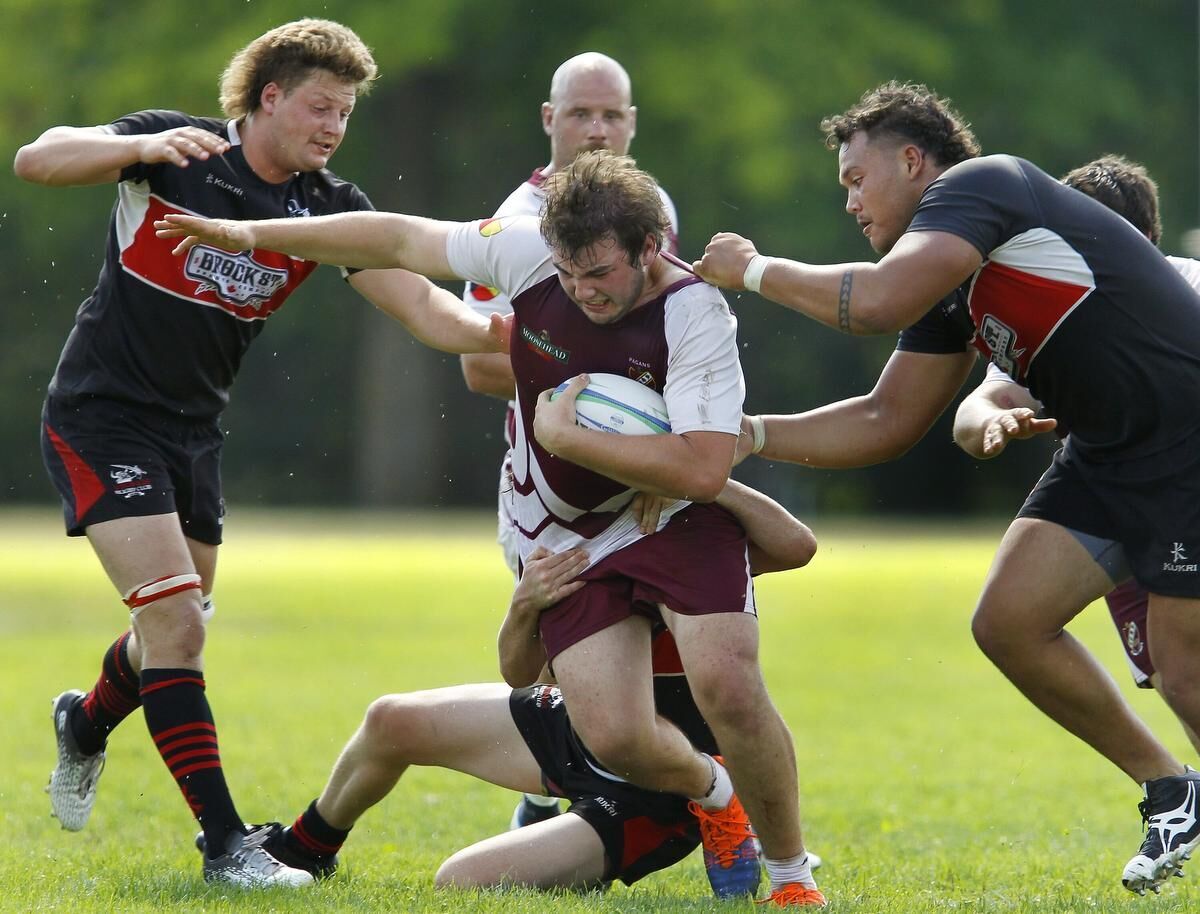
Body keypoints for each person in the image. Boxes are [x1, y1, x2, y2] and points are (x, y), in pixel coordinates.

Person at [156, 149, 828, 907]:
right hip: (573, 532)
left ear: (649, 248)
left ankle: (791, 877)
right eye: (569, 275)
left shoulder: (696, 311)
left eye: (601, 274)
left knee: (728, 685)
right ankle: (714, 793)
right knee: (611, 733)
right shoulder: (525, 249)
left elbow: (705, 472)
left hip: (667, 511)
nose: (583, 293)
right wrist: (254, 235)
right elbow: (401, 239)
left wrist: (575, 441)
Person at [13, 19, 505, 887]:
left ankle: (85, 722)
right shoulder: (177, 149)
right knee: (175, 623)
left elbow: (434, 315)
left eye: (347, 113)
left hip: (193, 434)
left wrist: (525, 331)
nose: (332, 128)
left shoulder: (327, 205)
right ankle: (226, 848)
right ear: (267, 97)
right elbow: (38, 159)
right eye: (321, 106)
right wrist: (139, 144)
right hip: (101, 415)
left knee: (171, 627)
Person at [693, 81, 1200, 895]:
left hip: (1188, 437)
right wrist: (743, 436)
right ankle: (1172, 788)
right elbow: (884, 419)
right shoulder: (949, 279)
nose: (851, 202)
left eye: (857, 180)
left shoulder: (983, 185)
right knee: (1009, 621)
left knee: (1184, 673)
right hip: (1111, 454)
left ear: (913, 159)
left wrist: (751, 269)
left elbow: (875, 301)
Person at [193, 481, 815, 897]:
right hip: (574, 728)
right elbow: (518, 671)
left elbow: (797, 544)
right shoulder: (573, 531)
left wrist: (704, 479)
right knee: (391, 720)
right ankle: (307, 847)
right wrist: (525, 606)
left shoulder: (689, 524)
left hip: (656, 781)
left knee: (461, 882)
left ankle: (716, 802)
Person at [457, 51, 679, 832]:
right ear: (549, 119)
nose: (596, 129)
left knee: (681, 643)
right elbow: (480, 366)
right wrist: (592, 410)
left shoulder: (652, 209)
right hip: (554, 485)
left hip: (651, 481)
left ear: (632, 124)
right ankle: (548, 803)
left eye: (611, 114)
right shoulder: (515, 226)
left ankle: (681, 801)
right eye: (579, 113)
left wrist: (662, 444)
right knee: (569, 657)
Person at [953, 155, 1200, 756]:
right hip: (1117, 496)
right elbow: (981, 401)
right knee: (1178, 677)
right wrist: (994, 418)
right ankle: (1176, 791)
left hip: (1180, 490)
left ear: (1137, 245)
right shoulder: (1050, 301)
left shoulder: (1185, 283)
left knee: (1185, 666)